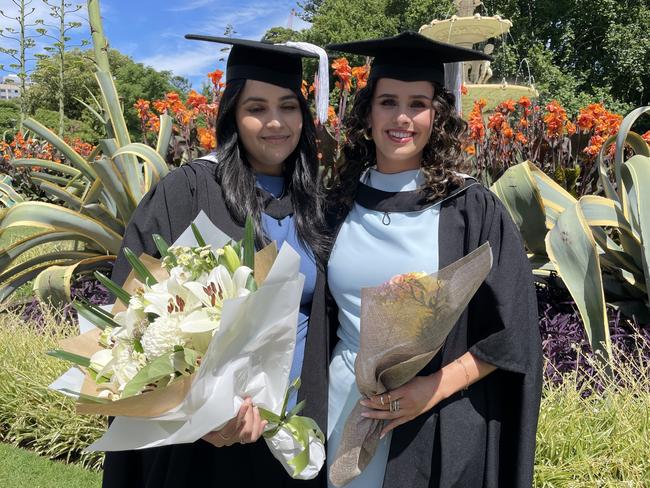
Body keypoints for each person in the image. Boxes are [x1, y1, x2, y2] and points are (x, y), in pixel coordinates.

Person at [102, 36, 331, 488]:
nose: (275, 122)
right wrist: (199, 414)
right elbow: (130, 318)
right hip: (205, 443)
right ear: (233, 115)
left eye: (288, 106)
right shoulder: (188, 192)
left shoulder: (318, 203)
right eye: (257, 108)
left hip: (298, 437)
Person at [325, 32, 542, 488]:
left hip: (433, 418)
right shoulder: (336, 202)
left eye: (417, 104)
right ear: (367, 112)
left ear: (437, 116)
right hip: (341, 404)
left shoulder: (469, 206)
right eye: (388, 102)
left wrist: (431, 388)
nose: (402, 117)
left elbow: (513, 328)